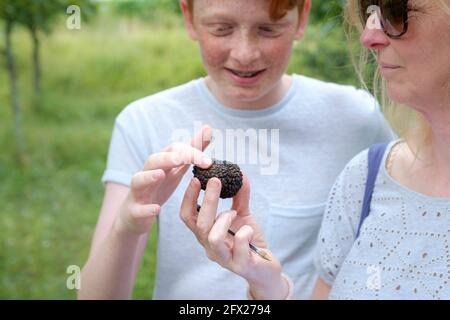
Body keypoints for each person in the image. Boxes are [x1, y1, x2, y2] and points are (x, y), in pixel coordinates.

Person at [79, 0, 393, 299]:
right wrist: (126, 228)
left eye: (269, 29)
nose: (245, 54)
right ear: (189, 18)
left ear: (302, 16)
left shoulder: (356, 119)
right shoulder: (144, 122)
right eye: (221, 28)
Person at [180, 0, 450, 299]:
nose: (368, 36)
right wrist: (266, 284)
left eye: (396, 12)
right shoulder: (365, 178)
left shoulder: (355, 122)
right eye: (368, 13)